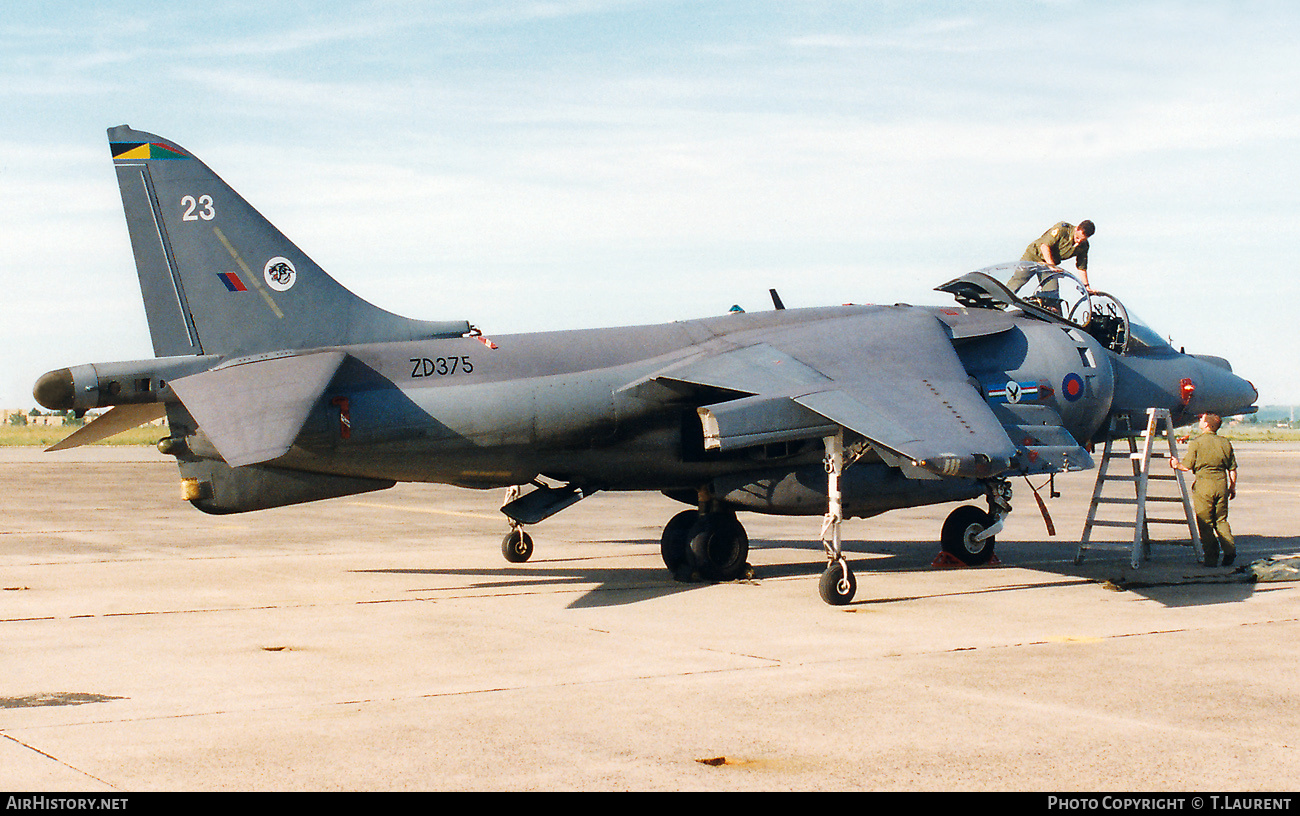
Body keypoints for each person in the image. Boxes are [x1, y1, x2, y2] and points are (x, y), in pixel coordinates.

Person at [1169, 413, 1238, 567]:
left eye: (1201, 419)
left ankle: (1211, 557)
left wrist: (1175, 464)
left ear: (1207, 425)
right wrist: (1232, 487)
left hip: (1204, 486)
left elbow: (1186, 466)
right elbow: (1232, 469)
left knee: (1205, 523)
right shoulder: (1225, 443)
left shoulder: (1197, 443)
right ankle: (1229, 551)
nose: (1199, 421)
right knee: (1221, 520)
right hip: (1221, 484)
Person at [1007, 220, 1095, 295]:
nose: (1079, 241)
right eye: (1077, 238)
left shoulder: (1084, 246)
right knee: (1018, 281)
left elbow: (1081, 267)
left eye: (1082, 240)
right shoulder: (1062, 229)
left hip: (1049, 264)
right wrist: (1051, 265)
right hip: (1034, 256)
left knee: (1052, 293)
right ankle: (996, 305)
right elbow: (1044, 246)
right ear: (1076, 228)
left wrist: (1086, 286)